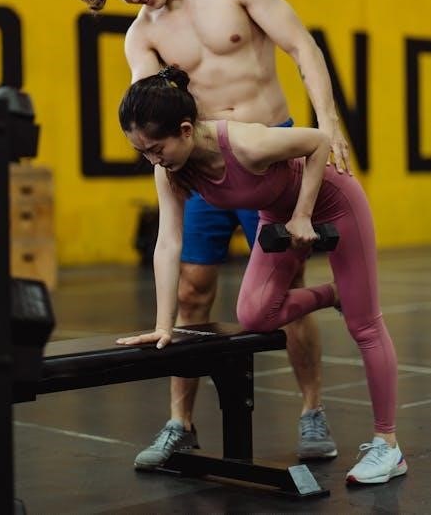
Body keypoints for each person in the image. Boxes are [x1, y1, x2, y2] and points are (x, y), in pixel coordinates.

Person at [73, 0, 351, 468]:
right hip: (202, 163)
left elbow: (302, 47)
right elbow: (148, 115)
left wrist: (329, 123)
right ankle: (180, 422)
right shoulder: (142, 35)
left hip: (268, 151)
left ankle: (312, 411)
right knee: (192, 291)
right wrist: (163, 168)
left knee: (287, 287)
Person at [116, 67, 407, 485]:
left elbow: (318, 141)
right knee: (255, 314)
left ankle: (388, 445)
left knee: (365, 325)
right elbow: (168, 243)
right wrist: (164, 326)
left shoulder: (246, 144)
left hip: (334, 202)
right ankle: (336, 294)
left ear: (185, 129)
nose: (153, 159)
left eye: (156, 149)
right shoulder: (171, 169)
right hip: (277, 212)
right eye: (143, 152)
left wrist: (303, 214)